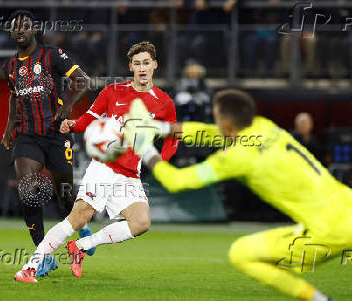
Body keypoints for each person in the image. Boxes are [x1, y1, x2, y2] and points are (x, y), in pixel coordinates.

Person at [123, 89, 351, 301]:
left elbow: (177, 181)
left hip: (329, 230)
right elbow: (210, 133)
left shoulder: (236, 158)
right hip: (346, 204)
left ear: (228, 123)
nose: (215, 122)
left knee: (242, 254)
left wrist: (147, 150)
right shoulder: (265, 126)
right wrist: (159, 128)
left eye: (217, 117)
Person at [14, 41, 179, 283]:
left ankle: (81, 246)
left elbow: (173, 138)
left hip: (130, 174)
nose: (142, 68)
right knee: (79, 217)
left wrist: (163, 162)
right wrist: (73, 124)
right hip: (104, 167)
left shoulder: (163, 102)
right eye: (137, 64)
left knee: (141, 221)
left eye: (146, 63)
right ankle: (30, 266)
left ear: (155, 65)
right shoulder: (113, 92)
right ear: (131, 67)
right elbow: (90, 116)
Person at [1, 10, 95, 277]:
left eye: (26, 26)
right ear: (11, 32)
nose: (20, 30)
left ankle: (81, 225)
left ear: (34, 30)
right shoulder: (10, 66)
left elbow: (83, 81)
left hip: (56, 134)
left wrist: (66, 107)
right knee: (28, 192)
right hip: (27, 136)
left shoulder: (52, 54)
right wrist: (9, 129)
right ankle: (42, 256)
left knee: (64, 194)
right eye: (15, 26)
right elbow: (13, 98)